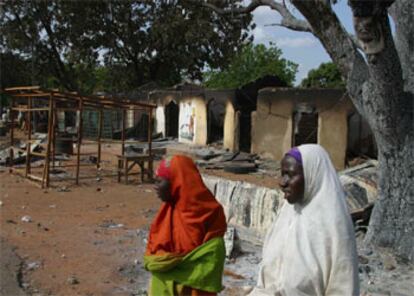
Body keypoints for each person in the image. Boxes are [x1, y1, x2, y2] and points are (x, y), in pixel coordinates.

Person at [248, 144, 359, 296]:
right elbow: (267, 282)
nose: (282, 182)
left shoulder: (334, 230)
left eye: (291, 175)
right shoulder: (286, 217)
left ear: (312, 176)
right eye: (282, 174)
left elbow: (343, 289)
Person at [144, 155, 227, 296]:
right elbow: (155, 251)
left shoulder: (211, 213)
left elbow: (213, 255)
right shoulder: (166, 212)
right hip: (164, 286)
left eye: (160, 181)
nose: (155, 187)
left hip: (195, 288)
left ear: (177, 182)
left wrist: (180, 266)